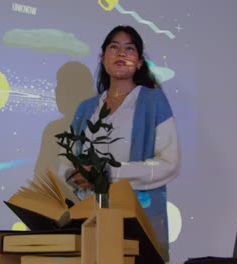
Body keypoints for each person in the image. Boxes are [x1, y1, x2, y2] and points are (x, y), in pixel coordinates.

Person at [57, 25, 180, 261]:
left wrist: (107, 173)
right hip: (88, 220)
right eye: (114, 47)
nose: (121, 54)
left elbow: (169, 163)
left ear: (140, 61)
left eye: (129, 48)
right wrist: (75, 175)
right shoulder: (85, 108)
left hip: (137, 220)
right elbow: (65, 161)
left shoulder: (153, 101)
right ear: (103, 58)